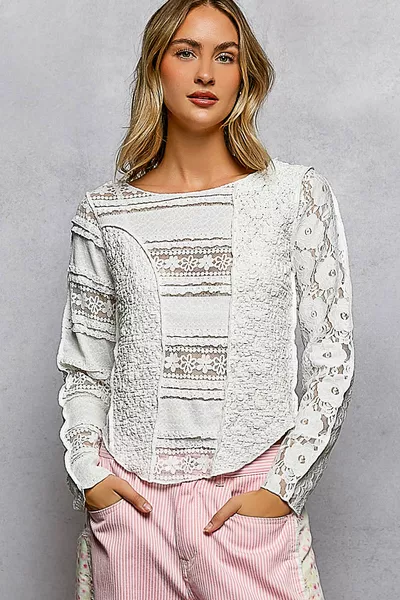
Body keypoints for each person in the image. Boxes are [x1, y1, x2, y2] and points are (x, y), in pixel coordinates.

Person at [56, 1, 355, 599]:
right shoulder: (105, 213)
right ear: (156, 66)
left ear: (245, 75)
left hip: (248, 505)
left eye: (225, 56)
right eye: (186, 52)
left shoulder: (295, 195)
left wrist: (281, 487)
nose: (205, 74)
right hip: (132, 514)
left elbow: (331, 357)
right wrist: (90, 478)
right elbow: (86, 369)